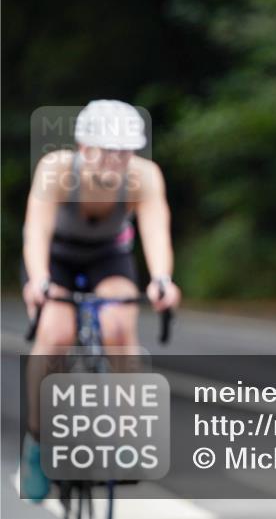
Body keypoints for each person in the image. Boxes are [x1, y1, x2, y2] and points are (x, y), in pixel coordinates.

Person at [20, 100, 181, 502]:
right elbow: (36, 230)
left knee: (119, 325)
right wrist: (38, 280)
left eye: (124, 153)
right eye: (106, 152)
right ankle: (38, 442)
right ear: (83, 147)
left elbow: (155, 228)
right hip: (56, 256)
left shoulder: (143, 177)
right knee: (55, 336)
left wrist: (162, 280)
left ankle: (125, 434)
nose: (115, 162)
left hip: (109, 256)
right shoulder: (55, 170)